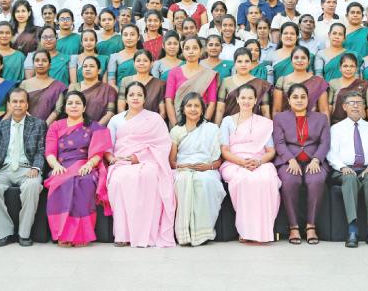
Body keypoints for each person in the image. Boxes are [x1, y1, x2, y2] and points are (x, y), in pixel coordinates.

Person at [105, 82, 176, 248]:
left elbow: (163, 145)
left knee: (149, 176)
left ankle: (147, 234)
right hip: (122, 162)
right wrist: (111, 159)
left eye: (139, 95)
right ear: (126, 98)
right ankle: (123, 235)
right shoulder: (116, 120)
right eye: (132, 95)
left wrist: (139, 156)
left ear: (145, 98)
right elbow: (108, 146)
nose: (135, 98)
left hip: (149, 161)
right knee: (118, 180)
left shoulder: (155, 119)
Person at [44, 91, 112, 247]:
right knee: (60, 183)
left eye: (77, 103)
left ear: (84, 107)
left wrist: (89, 165)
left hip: (86, 164)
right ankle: (63, 234)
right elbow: (49, 152)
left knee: (84, 182)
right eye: (70, 103)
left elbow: (98, 152)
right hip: (61, 165)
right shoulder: (55, 126)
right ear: (65, 107)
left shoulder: (94, 127)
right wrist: (55, 166)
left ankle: (81, 234)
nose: (73, 106)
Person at [0, 88, 47, 247]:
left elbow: (41, 150)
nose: (18, 105)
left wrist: (36, 168)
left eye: (21, 101)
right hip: (4, 169)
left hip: (27, 169)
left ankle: (24, 234)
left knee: (33, 186)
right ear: (9, 104)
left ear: (27, 104)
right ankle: (5, 232)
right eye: (14, 102)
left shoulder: (39, 124)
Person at [219, 84, 280, 243]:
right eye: (243, 98)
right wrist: (241, 162)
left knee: (267, 179)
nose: (246, 101)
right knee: (245, 180)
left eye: (250, 98)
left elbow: (271, 151)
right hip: (234, 162)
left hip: (260, 161)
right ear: (237, 100)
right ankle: (246, 231)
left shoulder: (264, 123)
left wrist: (258, 161)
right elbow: (224, 150)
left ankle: (263, 231)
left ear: (255, 101)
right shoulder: (227, 121)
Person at [273, 84, 330, 245]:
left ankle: (311, 226)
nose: (299, 100)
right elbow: (279, 142)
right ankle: (294, 227)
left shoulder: (321, 118)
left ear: (308, 99)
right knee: (290, 181)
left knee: (316, 180)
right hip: (289, 161)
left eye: (303, 97)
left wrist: (316, 159)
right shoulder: (279, 118)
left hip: (313, 160)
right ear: (289, 100)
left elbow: (325, 142)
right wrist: (290, 159)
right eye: (295, 97)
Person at [328, 91, 368, 248]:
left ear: (364, 107)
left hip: (367, 168)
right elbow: (331, 152)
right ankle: (352, 230)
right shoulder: (336, 129)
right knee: (350, 178)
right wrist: (343, 167)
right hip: (344, 170)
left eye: (359, 102)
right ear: (344, 107)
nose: (355, 105)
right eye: (351, 103)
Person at [169, 93, 226, 246]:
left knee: (205, 181)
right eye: (189, 105)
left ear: (202, 110)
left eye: (197, 106)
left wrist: (208, 167)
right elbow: (172, 162)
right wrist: (183, 167)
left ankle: (202, 233)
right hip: (183, 169)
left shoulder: (212, 129)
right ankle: (185, 234)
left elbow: (218, 160)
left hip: (207, 168)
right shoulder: (176, 131)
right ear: (183, 109)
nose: (193, 109)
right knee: (183, 180)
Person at [166, 37, 219, 127]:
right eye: (187, 48)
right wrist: (176, 126)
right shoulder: (174, 72)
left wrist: (203, 125)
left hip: (201, 123)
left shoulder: (209, 74)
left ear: (201, 51)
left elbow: (212, 102)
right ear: (182, 51)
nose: (191, 52)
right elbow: (169, 100)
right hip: (179, 122)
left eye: (194, 48)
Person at [272, 46, 329, 119]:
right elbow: (276, 110)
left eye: (303, 58)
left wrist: (325, 129)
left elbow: (324, 111)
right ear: (291, 61)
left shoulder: (318, 82)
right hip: (287, 124)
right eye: (296, 58)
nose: (299, 60)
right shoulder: (282, 80)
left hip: (313, 125)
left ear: (308, 61)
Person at [216, 48, 272, 122]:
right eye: (239, 61)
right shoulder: (226, 82)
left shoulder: (261, 84)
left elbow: (265, 111)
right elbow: (220, 109)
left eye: (247, 61)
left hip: (254, 126)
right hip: (231, 126)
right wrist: (217, 128)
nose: (243, 65)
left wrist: (268, 130)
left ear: (251, 63)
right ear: (234, 63)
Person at [20, 50, 67, 125]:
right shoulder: (24, 84)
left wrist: (43, 126)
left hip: (48, 128)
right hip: (26, 125)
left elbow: (58, 110)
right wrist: (32, 124)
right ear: (33, 64)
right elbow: (20, 105)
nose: (40, 63)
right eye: (37, 60)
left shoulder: (58, 86)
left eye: (44, 61)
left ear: (50, 65)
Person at [68, 56, 117, 126]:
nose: (87, 69)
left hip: (98, 130)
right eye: (85, 66)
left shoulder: (108, 89)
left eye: (92, 66)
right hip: (75, 129)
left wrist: (94, 128)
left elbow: (110, 113)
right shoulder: (73, 87)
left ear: (99, 70)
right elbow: (68, 110)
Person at [117, 49, 167, 117]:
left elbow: (163, 112)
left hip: (152, 123)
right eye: (138, 61)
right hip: (130, 123)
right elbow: (121, 108)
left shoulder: (160, 84)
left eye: (145, 61)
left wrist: (154, 125)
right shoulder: (125, 81)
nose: (141, 63)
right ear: (134, 64)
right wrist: (129, 122)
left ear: (151, 63)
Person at [328, 53, 368, 125]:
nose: (348, 69)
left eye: (352, 66)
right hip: (337, 124)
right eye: (345, 66)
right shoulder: (333, 83)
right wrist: (327, 127)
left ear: (356, 68)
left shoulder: (363, 84)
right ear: (340, 68)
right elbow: (329, 107)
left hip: (359, 124)